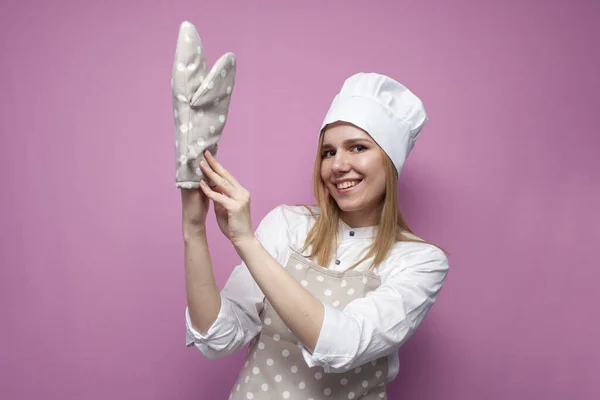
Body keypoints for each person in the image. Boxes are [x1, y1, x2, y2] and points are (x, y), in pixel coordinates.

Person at [180, 72, 449, 400]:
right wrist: (194, 229)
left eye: (358, 147)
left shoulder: (420, 261)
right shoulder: (287, 225)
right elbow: (218, 338)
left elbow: (343, 347)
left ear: (390, 162)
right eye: (328, 152)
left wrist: (245, 241)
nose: (338, 165)